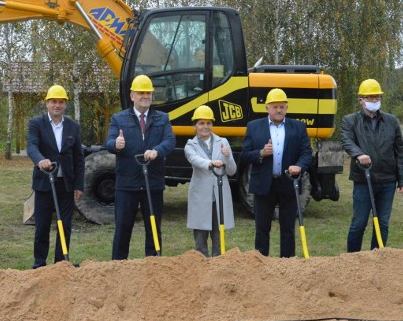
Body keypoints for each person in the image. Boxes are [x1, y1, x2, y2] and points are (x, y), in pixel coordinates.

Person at [105, 75, 175, 260]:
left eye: (148, 92)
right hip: (127, 183)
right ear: (132, 96)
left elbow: (169, 141)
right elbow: (109, 142)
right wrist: (116, 144)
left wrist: (157, 151)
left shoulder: (162, 118)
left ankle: (153, 264)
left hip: (153, 182)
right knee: (122, 227)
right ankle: (118, 265)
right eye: (141, 92)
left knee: (153, 227)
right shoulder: (119, 119)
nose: (145, 96)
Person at [240, 88, 313, 257]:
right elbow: (244, 156)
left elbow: (306, 153)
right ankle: (260, 263)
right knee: (262, 228)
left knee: (288, 228)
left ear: (287, 108)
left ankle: (287, 264)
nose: (279, 110)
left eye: (282, 106)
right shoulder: (254, 127)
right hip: (263, 184)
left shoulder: (299, 127)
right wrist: (260, 153)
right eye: (275, 107)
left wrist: (299, 166)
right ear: (267, 108)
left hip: (289, 183)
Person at [341, 79, 403, 252]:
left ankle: (377, 259)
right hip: (363, 179)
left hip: (387, 180)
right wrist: (359, 154)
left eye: (377, 97)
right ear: (361, 100)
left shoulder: (391, 121)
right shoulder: (350, 121)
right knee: (359, 223)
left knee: (382, 223)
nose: (374, 100)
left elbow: (399, 152)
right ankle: (352, 260)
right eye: (370, 97)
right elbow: (347, 141)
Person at [26, 85, 84, 269]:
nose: (57, 105)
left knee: (64, 225)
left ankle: (61, 263)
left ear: (65, 104)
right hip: (44, 182)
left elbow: (78, 158)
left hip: (65, 184)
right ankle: (39, 263)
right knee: (42, 226)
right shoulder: (37, 124)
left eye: (61, 102)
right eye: (53, 102)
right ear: (47, 104)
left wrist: (79, 185)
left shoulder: (73, 127)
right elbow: (32, 146)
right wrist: (40, 160)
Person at [184, 105, 237, 257]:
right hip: (200, 196)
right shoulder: (190, 145)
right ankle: (201, 270)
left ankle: (218, 269)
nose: (205, 127)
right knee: (200, 241)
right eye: (201, 123)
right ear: (195, 125)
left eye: (208, 123)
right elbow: (195, 160)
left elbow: (232, 170)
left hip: (219, 194)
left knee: (218, 238)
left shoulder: (223, 142)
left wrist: (227, 156)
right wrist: (211, 163)